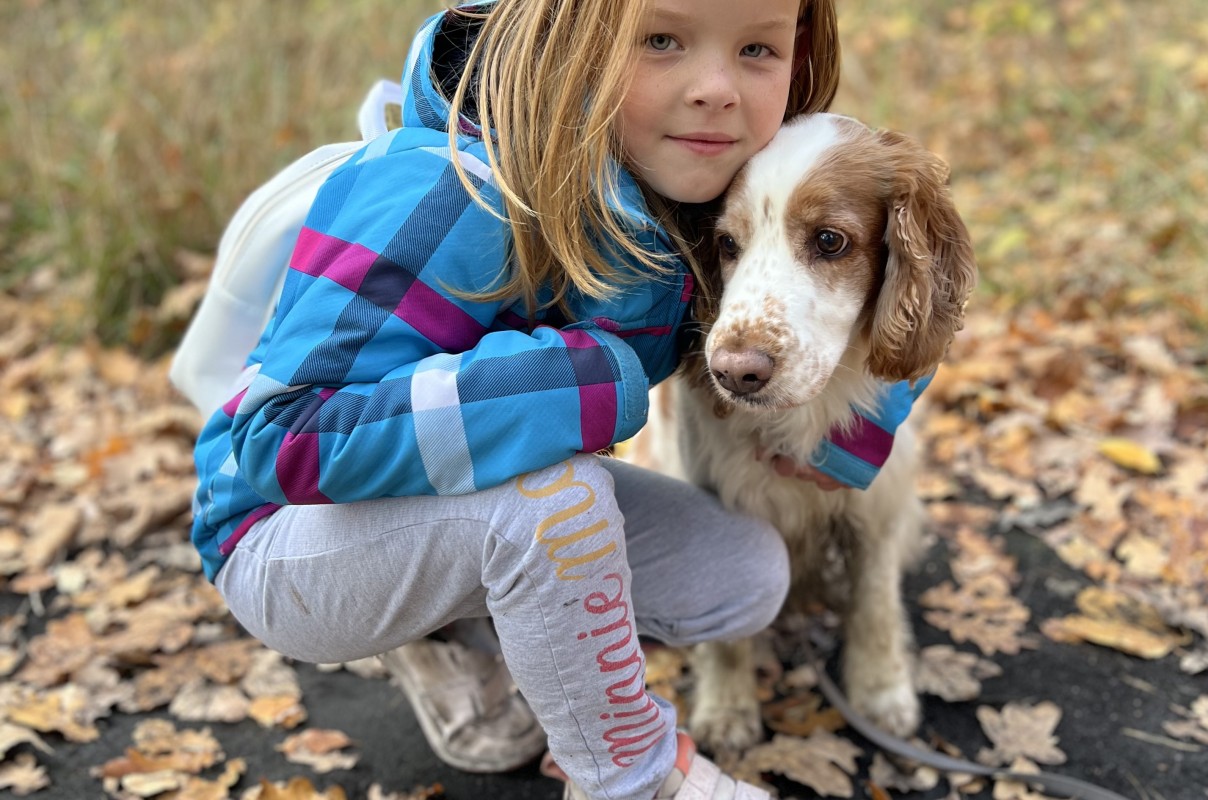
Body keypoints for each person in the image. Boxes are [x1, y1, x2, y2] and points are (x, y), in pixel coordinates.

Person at [190, 0, 844, 797]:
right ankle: (630, 776)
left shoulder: (700, 182)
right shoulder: (443, 186)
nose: (716, 87)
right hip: (279, 532)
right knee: (554, 502)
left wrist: (858, 434)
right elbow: (284, 438)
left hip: (480, 496)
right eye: (662, 40)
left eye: (757, 49)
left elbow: (867, 256)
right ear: (571, 37)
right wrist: (575, 382)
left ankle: (489, 623)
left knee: (744, 574)